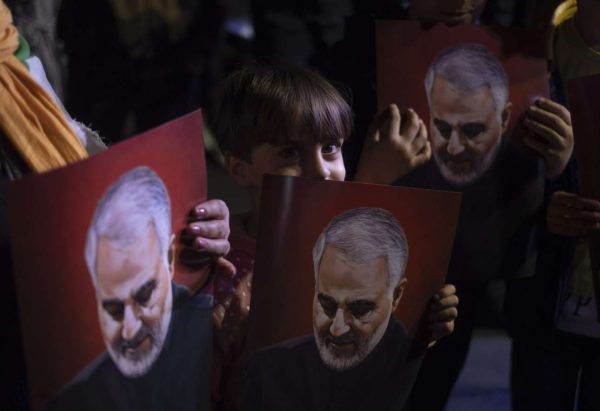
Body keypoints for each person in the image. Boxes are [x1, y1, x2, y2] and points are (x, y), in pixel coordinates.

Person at [203, 63, 458, 411]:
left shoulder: (360, 261)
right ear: (239, 168)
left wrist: (421, 327)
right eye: (290, 152)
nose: (321, 171)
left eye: (330, 148)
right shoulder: (223, 268)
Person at [44, 167, 212, 411]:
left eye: (144, 295)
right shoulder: (75, 399)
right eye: (113, 309)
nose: (130, 331)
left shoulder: (216, 331)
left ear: (170, 259)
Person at [243, 207, 424, 411]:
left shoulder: (423, 372)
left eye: (360, 309)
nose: (337, 329)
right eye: (327, 305)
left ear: (396, 295)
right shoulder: (267, 370)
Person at [424, 43, 512, 186]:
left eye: (472, 131)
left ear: (504, 119)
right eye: (443, 129)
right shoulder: (408, 172)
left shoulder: (531, 169)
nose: (454, 149)